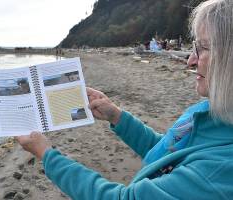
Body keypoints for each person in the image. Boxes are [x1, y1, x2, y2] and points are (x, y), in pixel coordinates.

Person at [16, 0, 233, 199]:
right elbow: (168, 151)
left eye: (202, 48)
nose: (190, 61)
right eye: (194, 47)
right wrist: (118, 117)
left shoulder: (220, 170)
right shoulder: (210, 111)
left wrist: (46, 154)